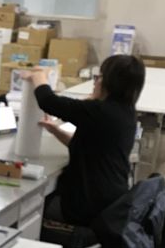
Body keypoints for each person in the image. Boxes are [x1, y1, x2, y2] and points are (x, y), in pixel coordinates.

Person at [20, 54, 146, 227]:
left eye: (99, 77)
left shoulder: (99, 111)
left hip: (86, 205)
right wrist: (56, 131)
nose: (96, 82)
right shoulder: (126, 112)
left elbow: (48, 101)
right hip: (111, 200)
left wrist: (39, 76)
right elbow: (92, 148)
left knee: (33, 204)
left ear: (110, 83)